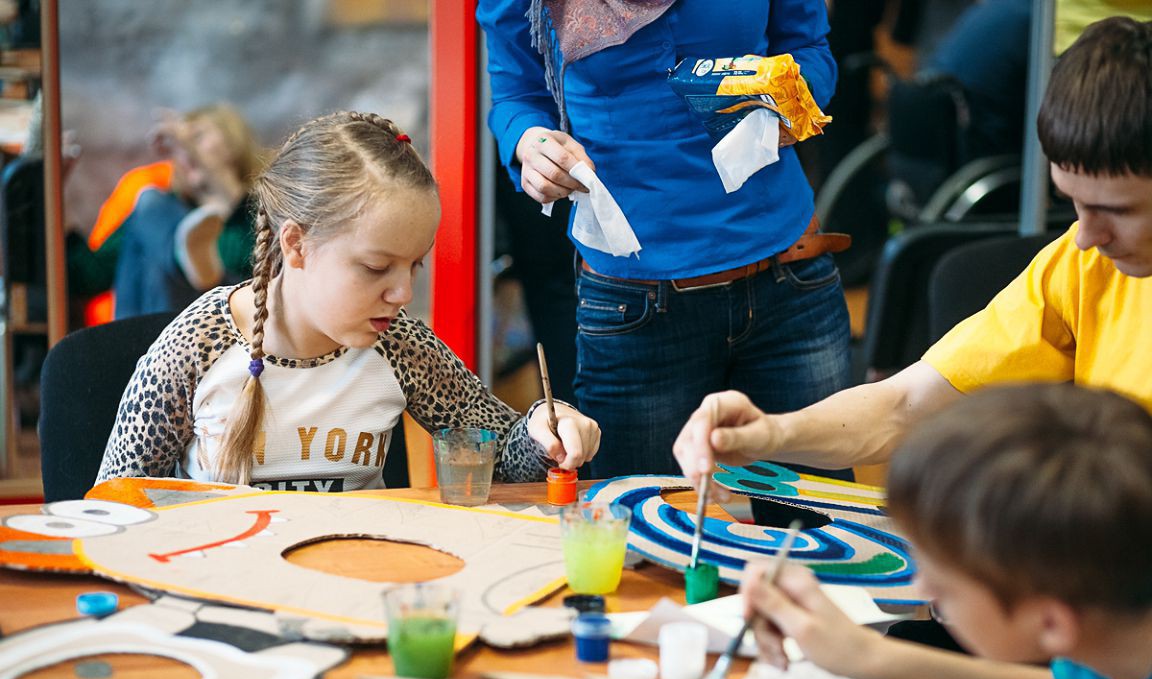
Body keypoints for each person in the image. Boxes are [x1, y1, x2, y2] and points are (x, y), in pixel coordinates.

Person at [674, 16, 1152, 486]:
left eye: (1118, 210)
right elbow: (905, 406)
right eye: (1071, 203)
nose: (1086, 235)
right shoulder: (1081, 266)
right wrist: (772, 434)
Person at [97, 111, 601, 491]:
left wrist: (545, 430)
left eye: (414, 266)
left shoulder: (401, 345)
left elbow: (505, 456)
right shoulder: (197, 344)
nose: (403, 294)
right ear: (296, 244)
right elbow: (116, 503)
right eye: (376, 268)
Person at [477, 0, 854, 479]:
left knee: (817, 518)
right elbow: (517, 93)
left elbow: (809, 48)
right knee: (639, 518)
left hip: (788, 280)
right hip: (634, 303)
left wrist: (791, 98)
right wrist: (532, 144)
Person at [740, 383, 1152, 679]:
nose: (922, 588)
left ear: (1051, 624)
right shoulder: (1110, 644)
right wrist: (868, 656)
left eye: (945, 587)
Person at [67, 103, 263, 320]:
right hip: (150, 332)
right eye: (178, 146)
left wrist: (195, 154)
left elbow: (245, 264)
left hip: (225, 325)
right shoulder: (158, 213)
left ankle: (189, 260)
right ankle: (183, 257)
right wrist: (55, 188)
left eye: (197, 137)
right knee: (150, 201)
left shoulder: (262, 211)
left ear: (233, 144)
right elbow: (87, 277)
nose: (184, 151)